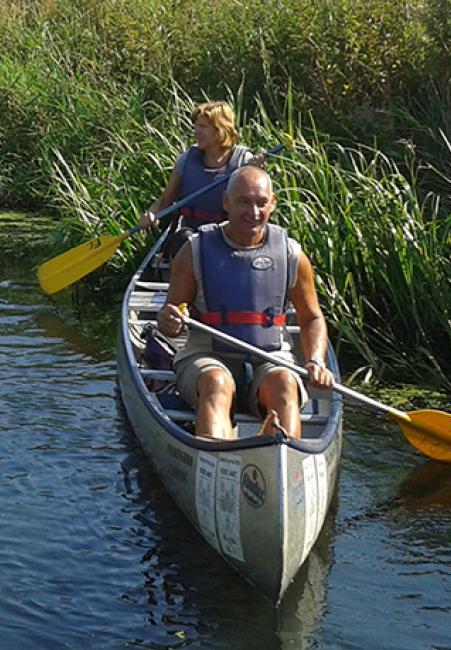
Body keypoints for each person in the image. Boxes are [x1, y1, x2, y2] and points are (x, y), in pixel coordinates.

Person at [155, 166, 335, 440]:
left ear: (272, 203)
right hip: (207, 356)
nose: (253, 212)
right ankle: (218, 458)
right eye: (243, 201)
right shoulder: (193, 250)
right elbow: (170, 322)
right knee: (217, 384)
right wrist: (168, 320)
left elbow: (311, 317)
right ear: (226, 202)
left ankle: (282, 454)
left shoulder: (292, 254)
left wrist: (315, 360)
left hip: (271, 356)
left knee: (285, 384)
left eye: (261, 202)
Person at [138, 100, 262, 259]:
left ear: (220, 129)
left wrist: (256, 172)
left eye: (202, 127)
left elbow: (254, 206)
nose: (196, 132)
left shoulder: (244, 161)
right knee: (185, 241)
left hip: (227, 235)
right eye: (196, 126)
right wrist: (152, 214)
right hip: (190, 234)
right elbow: (166, 199)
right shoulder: (186, 160)